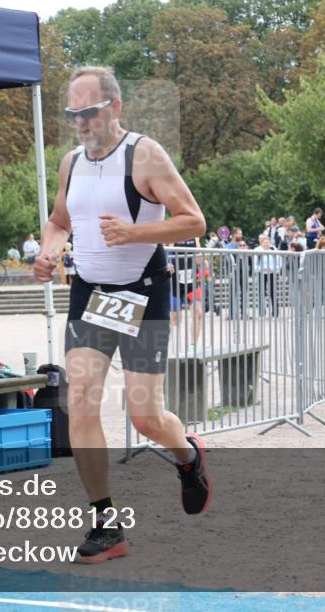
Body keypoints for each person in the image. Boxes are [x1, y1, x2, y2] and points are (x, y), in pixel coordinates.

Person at [34, 66, 211, 563]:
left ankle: (188, 457)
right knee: (82, 406)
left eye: (89, 112)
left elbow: (193, 220)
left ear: (114, 107)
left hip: (142, 290)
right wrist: (49, 252)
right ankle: (106, 525)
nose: (81, 123)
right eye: (74, 114)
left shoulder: (145, 155)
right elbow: (59, 220)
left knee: (146, 416)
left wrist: (133, 233)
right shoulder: (71, 162)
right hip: (90, 291)